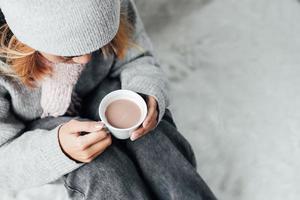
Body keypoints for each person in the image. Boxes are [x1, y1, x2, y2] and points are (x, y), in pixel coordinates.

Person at [0, 0, 217, 199]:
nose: (86, 58)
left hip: (103, 88)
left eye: (99, 43)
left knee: (153, 139)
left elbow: (138, 57)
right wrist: (58, 150)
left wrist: (146, 90)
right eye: (67, 54)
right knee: (103, 171)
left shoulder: (114, 5)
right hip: (35, 133)